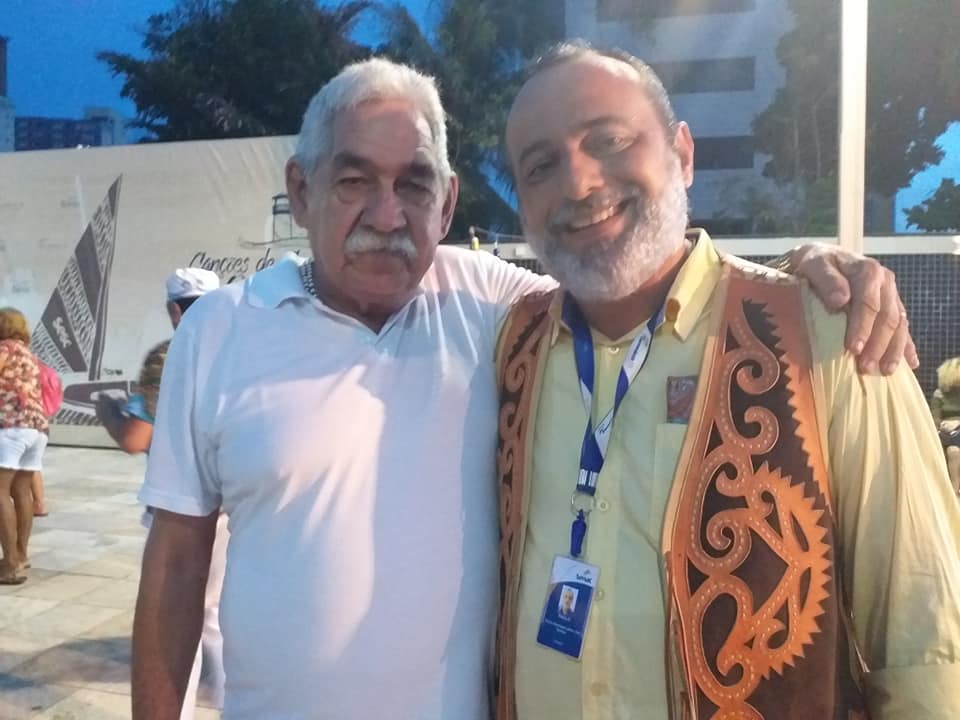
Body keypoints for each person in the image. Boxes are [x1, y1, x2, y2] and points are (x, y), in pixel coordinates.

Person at [132, 57, 917, 720]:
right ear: (301, 190)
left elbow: (639, 271)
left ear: (447, 203)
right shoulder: (220, 331)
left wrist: (806, 274)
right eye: (353, 180)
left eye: (414, 184)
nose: (387, 214)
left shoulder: (496, 309)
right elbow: (175, 569)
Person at [492, 42, 960, 720]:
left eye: (608, 141)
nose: (579, 183)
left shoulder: (828, 333)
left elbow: (925, 628)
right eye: (541, 166)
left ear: (682, 154)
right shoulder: (508, 348)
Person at [96, 268, 227, 719]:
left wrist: (108, 412)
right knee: (217, 618)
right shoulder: (242, 351)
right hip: (237, 509)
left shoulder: (167, 357)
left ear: (174, 309)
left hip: (178, 510)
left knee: (179, 618)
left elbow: (135, 438)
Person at [0, 307, 49, 584]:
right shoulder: (29, 354)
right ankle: (21, 554)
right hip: (36, 429)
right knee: (21, 490)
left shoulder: (4, 349)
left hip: (10, 427)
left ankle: (9, 564)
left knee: (0, 491)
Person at [932, 357, 960, 494]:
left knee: (953, 451)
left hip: (958, 429)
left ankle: (954, 488)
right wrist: (939, 428)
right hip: (945, 431)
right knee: (949, 449)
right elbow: (935, 417)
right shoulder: (939, 394)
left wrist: (957, 423)